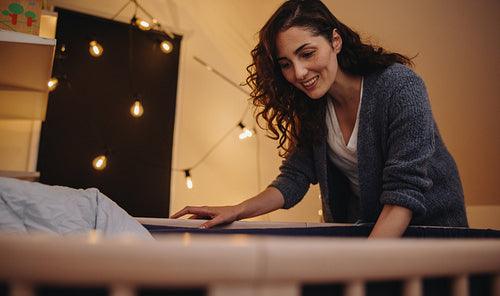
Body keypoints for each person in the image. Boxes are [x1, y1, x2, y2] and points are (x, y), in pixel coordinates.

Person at [171, 0, 468, 237]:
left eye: (307, 53)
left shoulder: (400, 87)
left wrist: (360, 269)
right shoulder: (312, 106)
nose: (298, 73)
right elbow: (294, 178)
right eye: (286, 64)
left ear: (335, 41)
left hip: (434, 235)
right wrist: (236, 210)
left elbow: (403, 196)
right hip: (372, 235)